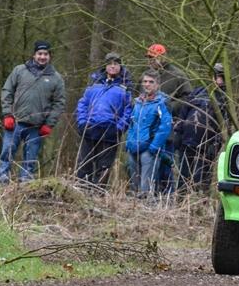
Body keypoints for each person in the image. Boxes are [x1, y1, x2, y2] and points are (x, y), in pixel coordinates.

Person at [0, 40, 65, 183]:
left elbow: (59, 103)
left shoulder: (56, 78)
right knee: (7, 153)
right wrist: (7, 114)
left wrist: (49, 124)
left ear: (49, 56)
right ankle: (1, 182)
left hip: (37, 126)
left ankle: (25, 184)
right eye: (39, 53)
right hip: (15, 121)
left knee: (31, 158)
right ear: (34, 55)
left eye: (45, 54)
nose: (42, 57)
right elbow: (7, 91)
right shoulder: (19, 70)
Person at [75, 52, 133, 186]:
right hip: (90, 127)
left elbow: (128, 110)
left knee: (104, 166)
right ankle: (81, 189)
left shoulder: (126, 86)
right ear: (105, 66)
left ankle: (98, 192)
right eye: (110, 64)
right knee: (84, 162)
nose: (113, 67)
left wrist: (119, 128)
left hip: (110, 130)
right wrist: (83, 122)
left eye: (116, 64)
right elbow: (83, 103)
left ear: (120, 66)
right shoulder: (95, 82)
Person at [145, 43, 192, 194]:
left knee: (166, 164)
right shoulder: (148, 76)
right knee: (148, 163)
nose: (151, 61)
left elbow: (188, 98)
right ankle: (148, 194)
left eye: (153, 57)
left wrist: (170, 107)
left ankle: (167, 197)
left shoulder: (178, 75)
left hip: (169, 128)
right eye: (149, 58)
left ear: (163, 57)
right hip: (149, 128)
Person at [175, 63, 229, 191]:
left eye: (220, 77)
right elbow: (184, 112)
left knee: (199, 178)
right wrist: (178, 132)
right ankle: (180, 201)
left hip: (206, 146)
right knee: (183, 175)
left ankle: (197, 203)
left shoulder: (224, 99)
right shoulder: (198, 92)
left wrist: (215, 143)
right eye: (215, 76)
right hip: (187, 140)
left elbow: (223, 126)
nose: (217, 80)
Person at [125, 70, 172, 197]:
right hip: (133, 147)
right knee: (134, 186)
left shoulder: (162, 103)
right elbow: (131, 124)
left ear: (157, 85)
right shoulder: (137, 102)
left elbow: (165, 126)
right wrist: (128, 143)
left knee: (146, 188)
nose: (147, 84)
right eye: (145, 81)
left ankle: (147, 209)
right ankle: (133, 210)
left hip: (149, 149)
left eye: (151, 82)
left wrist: (154, 147)